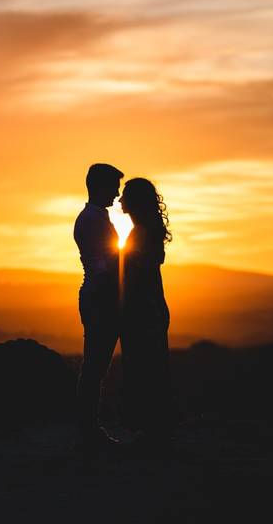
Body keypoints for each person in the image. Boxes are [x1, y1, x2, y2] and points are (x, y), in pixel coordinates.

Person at [118, 177, 174, 451]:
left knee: (144, 368)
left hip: (143, 309)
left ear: (136, 201)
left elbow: (137, 274)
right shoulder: (146, 230)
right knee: (151, 367)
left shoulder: (141, 233)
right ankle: (154, 430)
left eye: (125, 195)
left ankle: (152, 432)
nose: (120, 200)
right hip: (149, 307)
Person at [73, 162, 123, 457]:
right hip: (98, 298)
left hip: (98, 296)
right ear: (99, 187)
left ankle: (89, 428)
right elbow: (102, 265)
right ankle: (89, 430)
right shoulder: (91, 220)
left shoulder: (95, 217)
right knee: (95, 365)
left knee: (96, 364)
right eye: (113, 188)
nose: (117, 194)